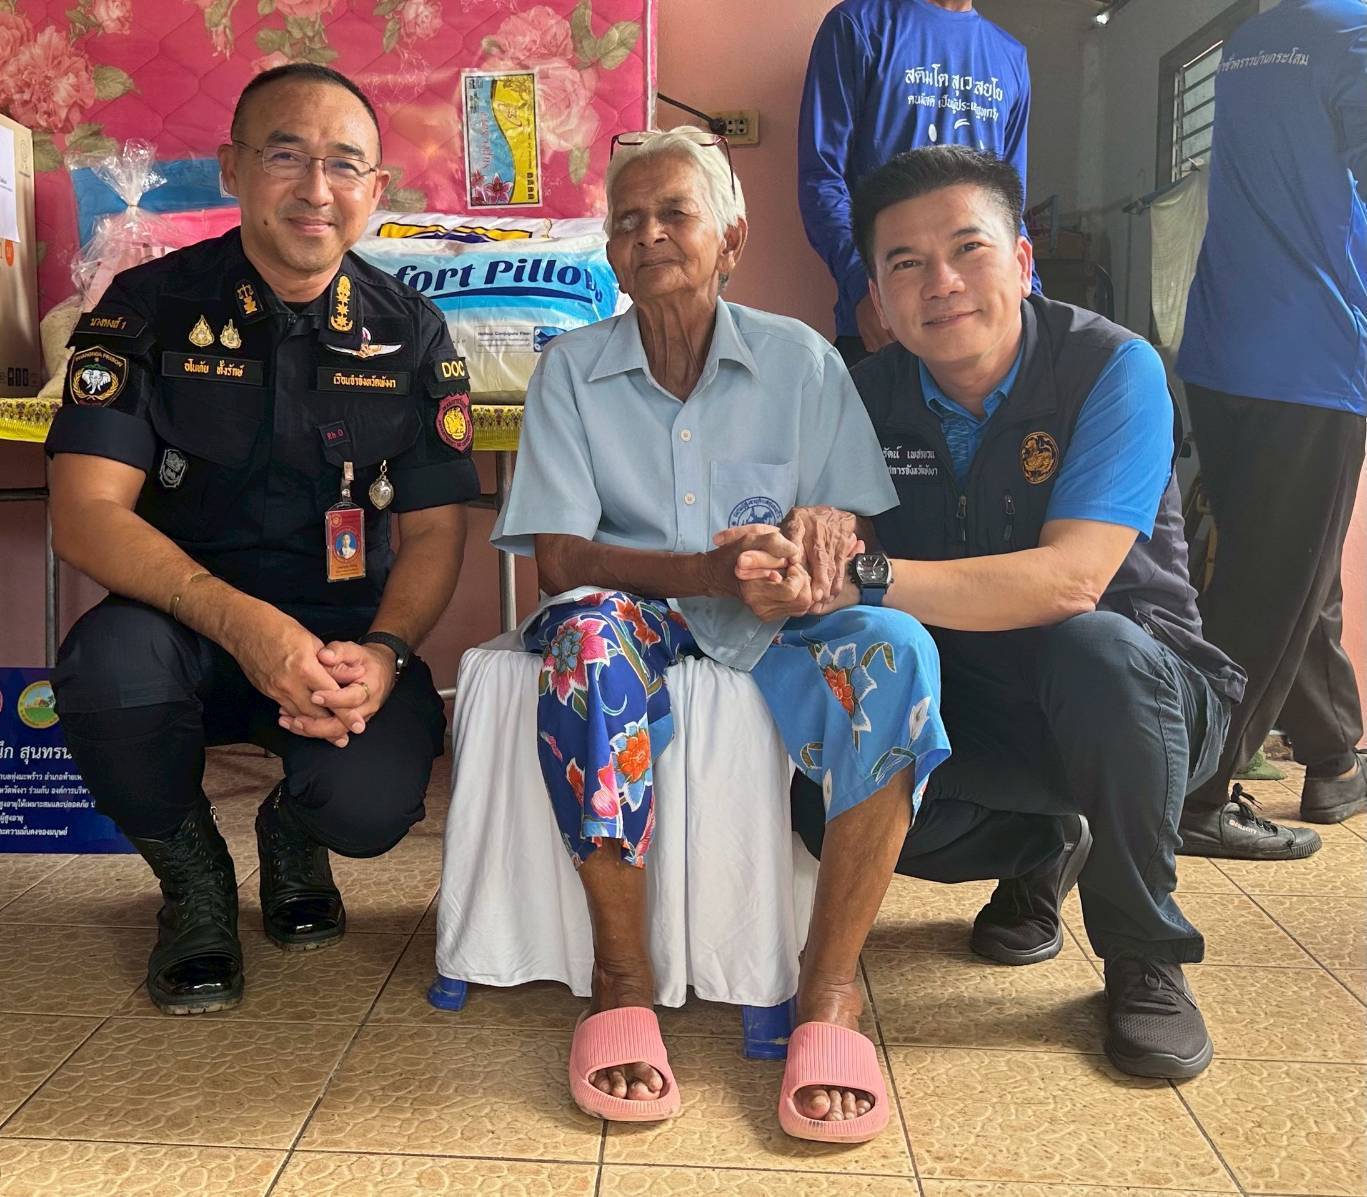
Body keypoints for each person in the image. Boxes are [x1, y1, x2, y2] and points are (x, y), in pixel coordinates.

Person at [491, 126, 950, 1143]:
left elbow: (845, 525)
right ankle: (621, 982)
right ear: (610, 254)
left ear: (731, 240)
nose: (647, 234)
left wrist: (809, 552)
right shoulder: (570, 369)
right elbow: (559, 560)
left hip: (775, 621)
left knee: (897, 652)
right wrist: (703, 574)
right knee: (585, 646)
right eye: (626, 221)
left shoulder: (802, 361)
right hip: (635, 608)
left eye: (674, 213)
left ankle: (827, 994)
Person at [786, 146, 1245, 1080]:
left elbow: (1069, 580)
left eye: (968, 248)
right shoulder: (862, 396)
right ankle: (1046, 843)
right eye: (905, 263)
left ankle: (1144, 957)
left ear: (1023, 260)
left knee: (1092, 647)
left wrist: (864, 575)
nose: (941, 282)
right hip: (981, 696)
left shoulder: (1111, 369)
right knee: (819, 793)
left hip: (1145, 695)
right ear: (877, 296)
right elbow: (825, 540)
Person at [45, 64, 479, 1015]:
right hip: (182, 630)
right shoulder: (143, 308)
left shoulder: (409, 332)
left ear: (375, 189)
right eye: (286, 156)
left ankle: (294, 833)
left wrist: (384, 651)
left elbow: (435, 529)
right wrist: (244, 626)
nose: (316, 188)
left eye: (343, 164)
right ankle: (193, 878)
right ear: (232, 168)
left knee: (370, 805)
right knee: (106, 672)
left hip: (339, 642)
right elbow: (84, 513)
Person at [1176, 0, 1367, 852]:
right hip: (1309, 355)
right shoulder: (1353, 30)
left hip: (1223, 348)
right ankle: (1196, 793)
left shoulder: (1252, 39)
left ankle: (1332, 756)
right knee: (1270, 585)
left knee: (1293, 570)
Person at [798, 0, 1034, 368]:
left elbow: (1010, 202)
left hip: (987, 327)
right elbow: (822, 177)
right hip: (889, 323)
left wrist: (1031, 301)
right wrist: (863, 285)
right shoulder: (858, 26)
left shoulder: (1010, 55)